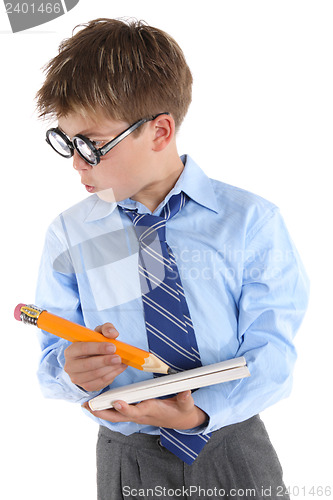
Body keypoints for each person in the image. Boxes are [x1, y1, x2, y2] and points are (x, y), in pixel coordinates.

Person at [35, 18, 309, 500]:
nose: (77, 163)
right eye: (66, 142)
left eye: (91, 145)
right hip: (128, 456)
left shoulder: (250, 222)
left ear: (160, 131)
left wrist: (199, 413)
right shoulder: (69, 233)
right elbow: (52, 358)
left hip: (232, 445)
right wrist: (73, 372)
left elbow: (273, 353)